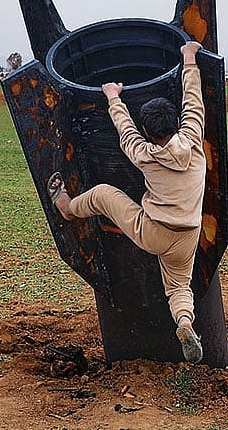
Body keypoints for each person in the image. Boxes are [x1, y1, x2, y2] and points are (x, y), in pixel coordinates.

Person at [48, 40, 206, 364]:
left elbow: (126, 132)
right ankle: (185, 322)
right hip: (188, 234)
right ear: (177, 121)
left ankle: (68, 209)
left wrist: (113, 97)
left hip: (153, 231)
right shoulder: (193, 140)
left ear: (147, 130)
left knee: (103, 194)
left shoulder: (145, 154)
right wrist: (189, 58)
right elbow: (194, 100)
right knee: (179, 286)